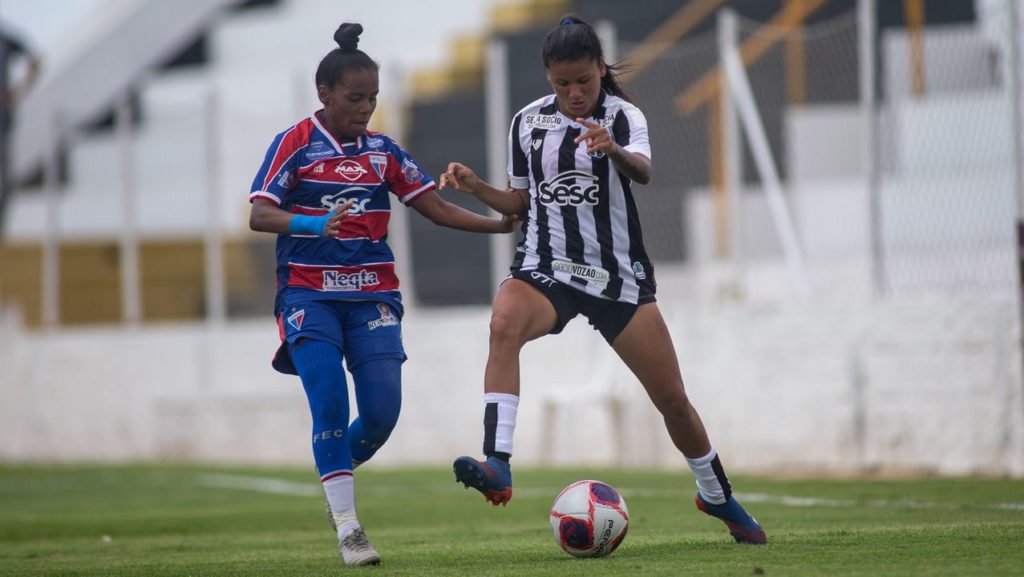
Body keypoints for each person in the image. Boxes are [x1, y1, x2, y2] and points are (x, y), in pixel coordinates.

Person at [440, 15, 767, 545]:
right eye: (561, 84)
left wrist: (610, 149)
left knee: (674, 402)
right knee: (503, 324)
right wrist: (477, 187)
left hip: (616, 278)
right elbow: (521, 203)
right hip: (547, 268)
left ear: (599, 69)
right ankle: (497, 461)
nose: (573, 93)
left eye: (583, 82)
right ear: (548, 77)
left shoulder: (623, 116)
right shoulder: (526, 123)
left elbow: (643, 171)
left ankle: (715, 494)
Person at [248, 22, 515, 567]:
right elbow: (260, 214)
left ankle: (333, 482)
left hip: (373, 297)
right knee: (328, 401)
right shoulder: (293, 145)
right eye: (354, 98)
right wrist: (312, 223)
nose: (365, 108)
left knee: (380, 417)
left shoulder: (384, 151)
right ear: (323, 93)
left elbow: (433, 206)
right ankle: (349, 526)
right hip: (309, 295)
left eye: (372, 98)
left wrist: (496, 225)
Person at [0, 20, 41, 230]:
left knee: (4, 180)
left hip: (3, 124)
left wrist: (20, 91)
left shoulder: (6, 39)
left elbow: (35, 60)